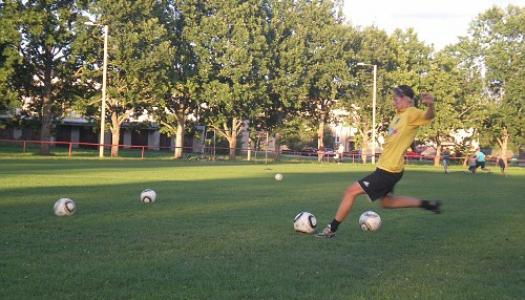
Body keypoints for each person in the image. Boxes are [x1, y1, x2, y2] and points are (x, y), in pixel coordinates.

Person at [316, 85, 441, 238]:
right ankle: (427, 204)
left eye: (396, 99)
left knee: (350, 191)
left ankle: (331, 230)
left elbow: (428, 116)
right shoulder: (398, 115)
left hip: (389, 170)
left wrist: (430, 105)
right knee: (387, 203)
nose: (393, 102)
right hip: (389, 168)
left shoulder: (411, 113)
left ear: (407, 100)